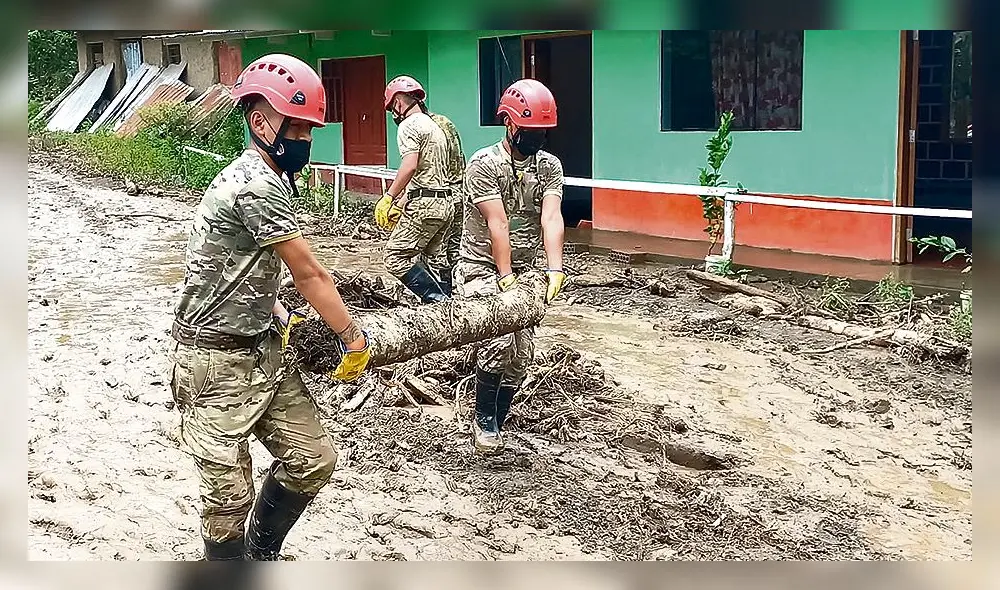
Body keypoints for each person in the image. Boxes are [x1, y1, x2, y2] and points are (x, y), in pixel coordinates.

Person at [169, 53, 372, 561]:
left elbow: (245, 263)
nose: (305, 141)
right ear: (261, 121)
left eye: (309, 131)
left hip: (262, 349)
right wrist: (351, 335)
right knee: (228, 500)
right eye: (298, 129)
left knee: (312, 460)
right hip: (214, 361)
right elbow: (311, 273)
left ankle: (263, 551)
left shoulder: (271, 176)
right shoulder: (256, 183)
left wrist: (276, 309)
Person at [456, 78, 567, 455]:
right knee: (499, 344)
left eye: (542, 132)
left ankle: (499, 418)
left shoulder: (549, 166)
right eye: (530, 130)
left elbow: (551, 217)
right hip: (481, 268)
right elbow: (497, 223)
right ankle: (483, 421)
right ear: (509, 123)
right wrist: (504, 278)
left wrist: (555, 269)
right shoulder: (484, 164)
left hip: (527, 269)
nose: (535, 138)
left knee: (522, 356)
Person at [374, 75, 454, 303]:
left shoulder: (409, 126)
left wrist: (389, 196)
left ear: (399, 101)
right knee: (435, 259)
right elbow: (427, 172)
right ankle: (447, 310)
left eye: (392, 108)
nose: (394, 114)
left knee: (394, 257)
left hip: (424, 205)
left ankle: (438, 301)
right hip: (445, 202)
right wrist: (400, 204)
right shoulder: (435, 127)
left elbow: (410, 165)